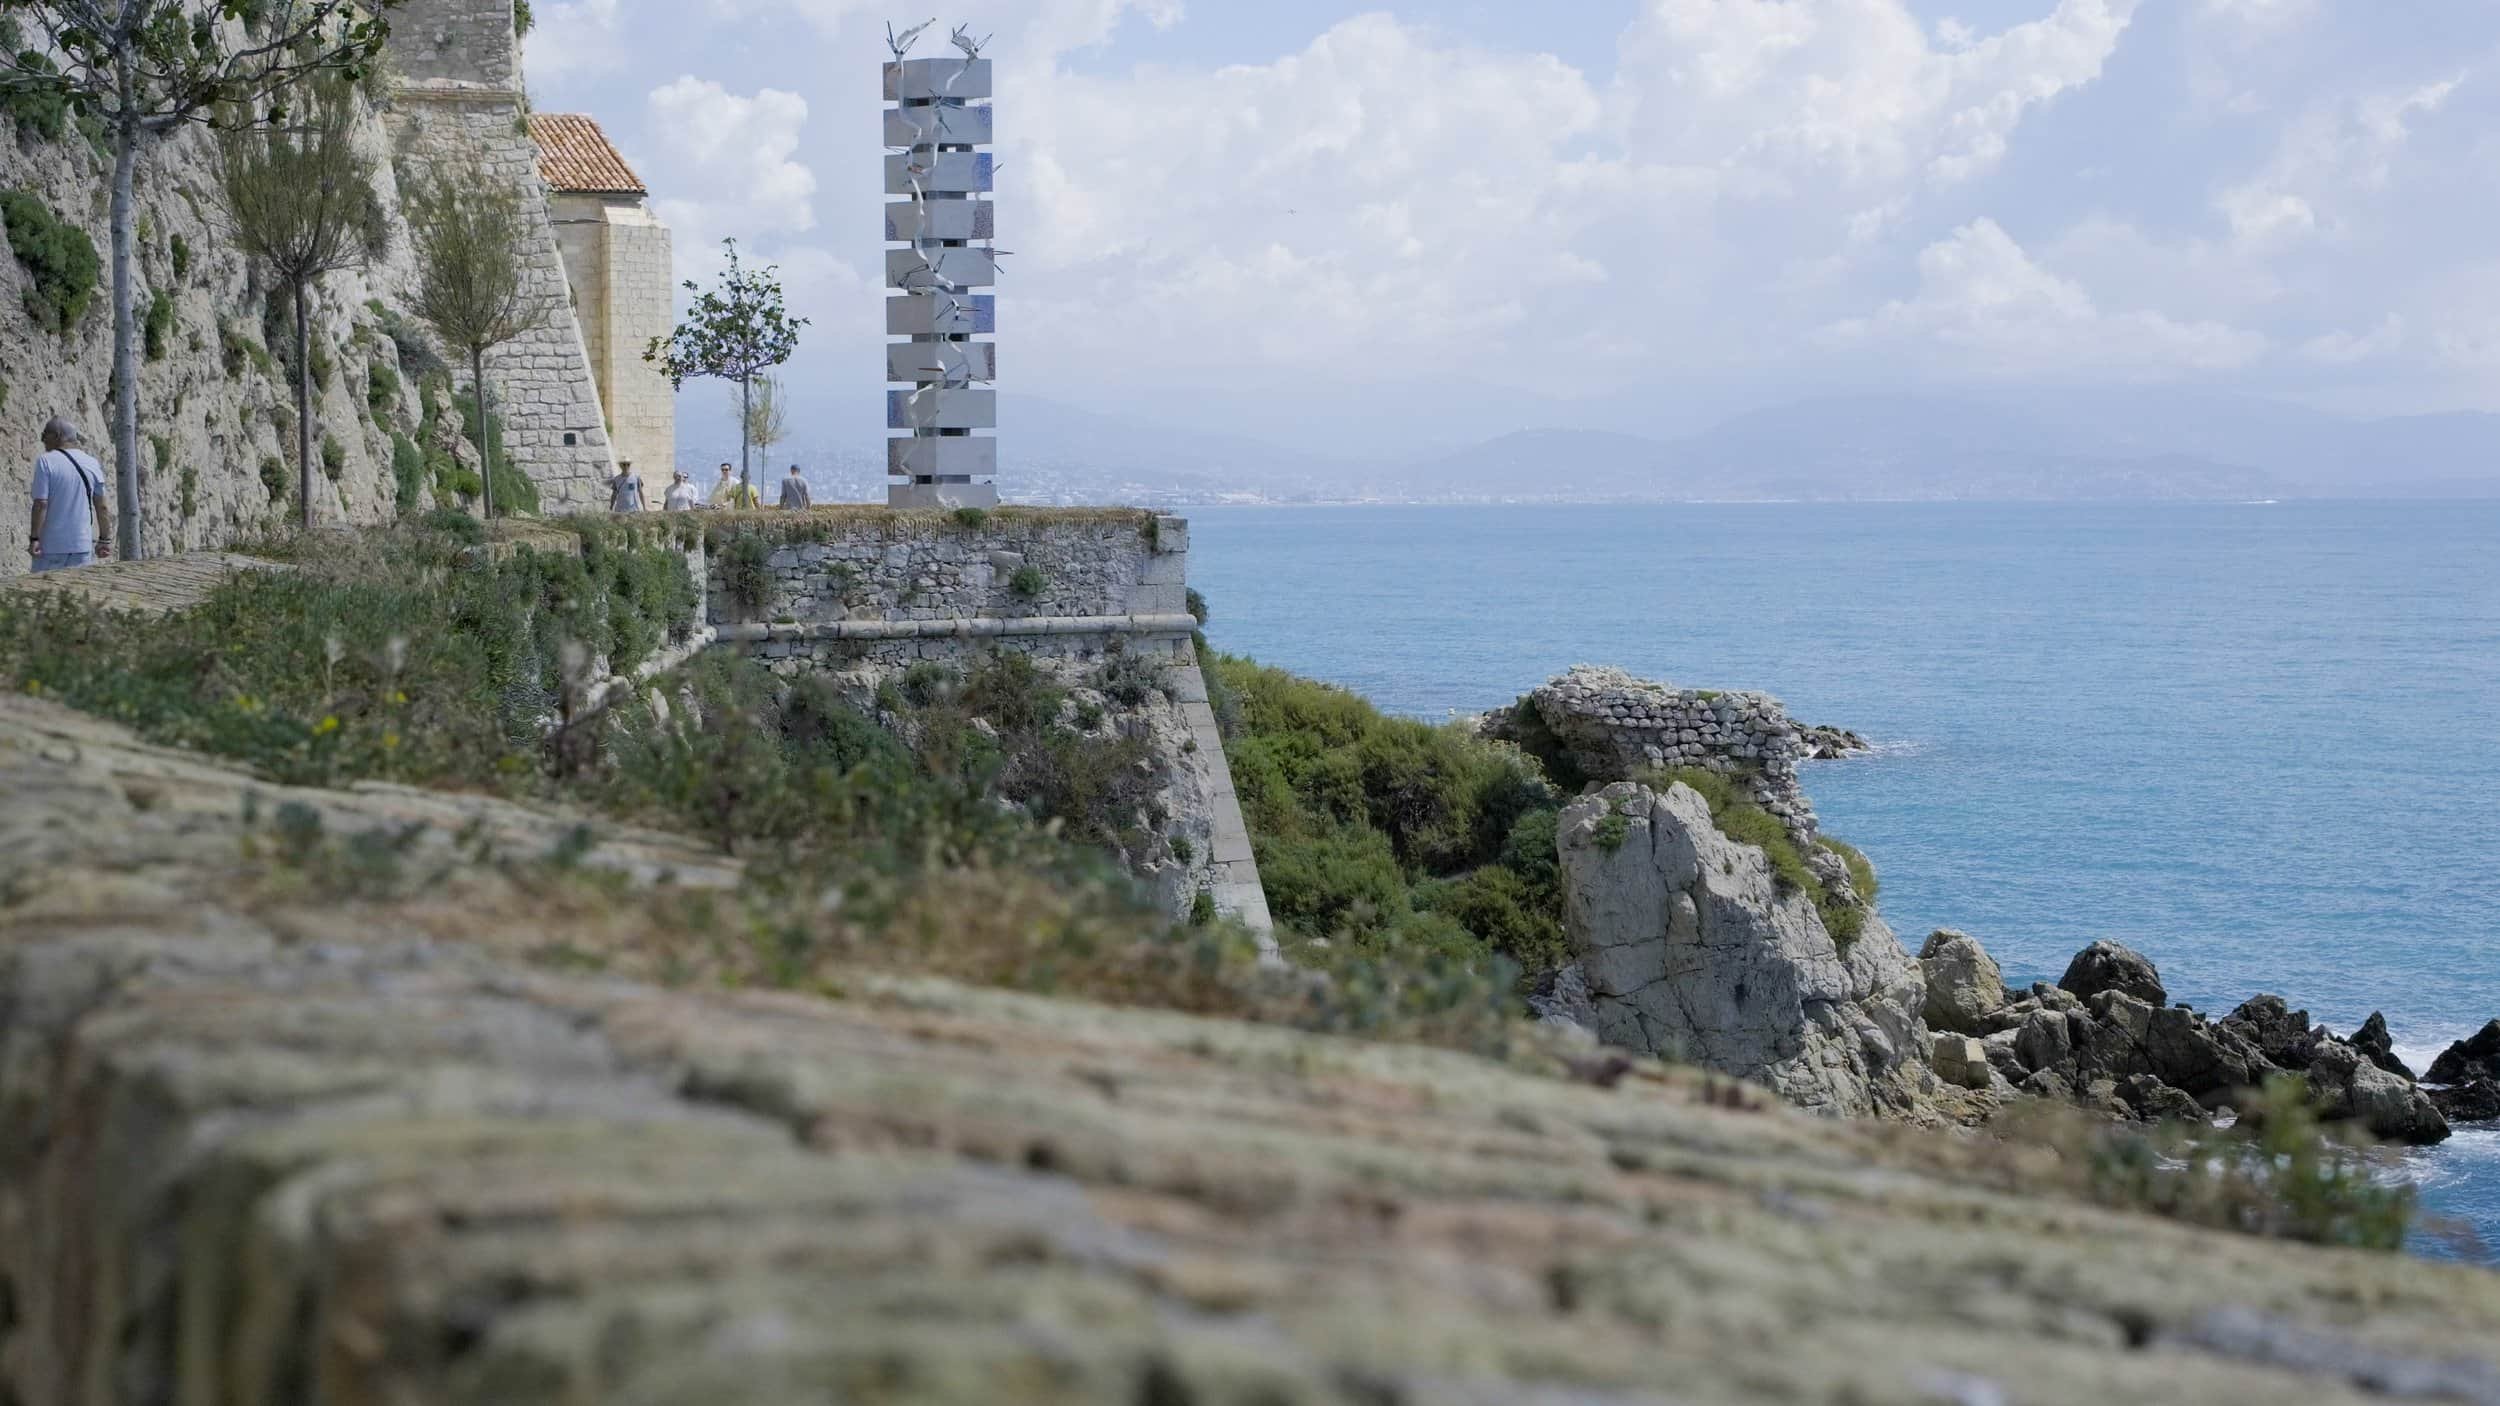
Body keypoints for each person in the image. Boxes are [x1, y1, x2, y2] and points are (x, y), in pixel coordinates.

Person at [27, 416, 111, 572]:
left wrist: (35, 539)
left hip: (51, 547)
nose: (43, 440)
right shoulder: (92, 462)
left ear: (57, 436)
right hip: (82, 547)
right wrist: (105, 540)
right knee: (75, 594)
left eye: (45, 435)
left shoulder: (45, 461)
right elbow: (102, 507)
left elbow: (40, 504)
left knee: (43, 593)